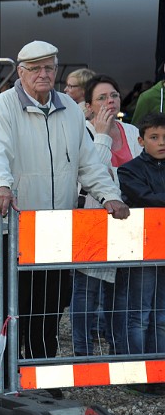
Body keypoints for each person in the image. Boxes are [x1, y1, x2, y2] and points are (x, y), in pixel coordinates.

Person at [0, 40, 129, 367]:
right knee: (14, 304)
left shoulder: (70, 110)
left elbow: (88, 162)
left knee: (51, 305)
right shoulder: (4, 106)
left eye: (49, 67)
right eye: (35, 69)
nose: (43, 74)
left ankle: (41, 370)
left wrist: (110, 195)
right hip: (16, 224)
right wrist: (0, 184)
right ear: (21, 72)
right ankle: (7, 374)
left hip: (58, 226)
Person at [71, 75, 142, 358]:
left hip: (128, 222)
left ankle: (117, 352)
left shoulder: (132, 131)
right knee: (87, 290)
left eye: (113, 95)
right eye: (101, 98)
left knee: (120, 293)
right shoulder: (83, 133)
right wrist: (101, 135)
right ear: (88, 106)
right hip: (93, 220)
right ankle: (83, 353)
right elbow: (91, 175)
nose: (109, 101)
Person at [116, 113, 165, 377]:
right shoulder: (129, 169)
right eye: (154, 137)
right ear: (141, 140)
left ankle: (158, 372)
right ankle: (136, 373)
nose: (161, 142)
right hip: (143, 248)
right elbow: (146, 198)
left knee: (162, 315)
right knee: (139, 313)